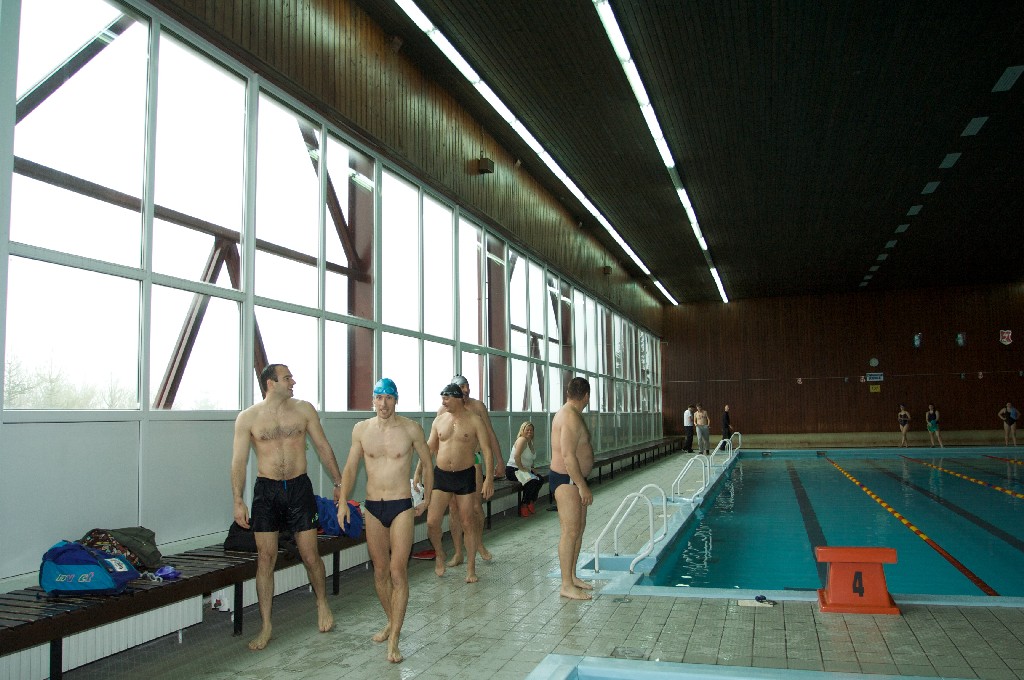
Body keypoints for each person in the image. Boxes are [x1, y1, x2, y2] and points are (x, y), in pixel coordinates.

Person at [230, 364, 344, 651]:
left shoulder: (304, 410)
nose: (293, 382)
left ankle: (322, 603)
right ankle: (266, 625)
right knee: (265, 558)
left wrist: (339, 482)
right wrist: (238, 500)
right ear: (271, 383)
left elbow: (323, 446)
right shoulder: (248, 418)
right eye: (287, 378)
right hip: (266, 492)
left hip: (298, 488)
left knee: (310, 554)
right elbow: (239, 461)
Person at [425, 383, 496, 582]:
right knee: (432, 522)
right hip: (442, 476)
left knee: (467, 522)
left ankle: (471, 568)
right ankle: (440, 553)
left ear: (457, 398)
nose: (443, 402)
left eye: (446, 398)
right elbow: (429, 447)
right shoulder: (439, 420)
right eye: (442, 398)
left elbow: (487, 450)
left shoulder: (474, 421)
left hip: (465, 475)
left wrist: (489, 479)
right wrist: (418, 471)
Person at [437, 374, 504, 567]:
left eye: (467, 387)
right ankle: (459, 552)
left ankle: (478, 543)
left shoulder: (477, 407)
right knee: (454, 510)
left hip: (473, 460)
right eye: (462, 389)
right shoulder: (443, 410)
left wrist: (499, 461)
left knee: (475, 507)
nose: (466, 391)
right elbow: (437, 441)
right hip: (450, 467)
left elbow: (490, 435)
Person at [550, 376, 594, 600]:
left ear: (568, 393)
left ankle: (572, 576)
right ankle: (566, 585)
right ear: (586, 396)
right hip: (567, 480)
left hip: (573, 480)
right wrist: (582, 485)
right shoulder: (569, 417)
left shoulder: (571, 414)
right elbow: (568, 457)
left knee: (578, 528)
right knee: (570, 531)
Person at [506, 421, 543, 517]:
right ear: (522, 430)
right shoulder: (522, 440)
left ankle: (531, 500)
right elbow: (516, 456)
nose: (529, 432)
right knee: (532, 481)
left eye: (531, 430)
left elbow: (530, 458)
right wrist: (522, 468)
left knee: (540, 479)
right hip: (513, 470)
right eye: (527, 430)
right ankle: (524, 504)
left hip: (524, 470)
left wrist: (532, 468)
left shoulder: (530, 442)